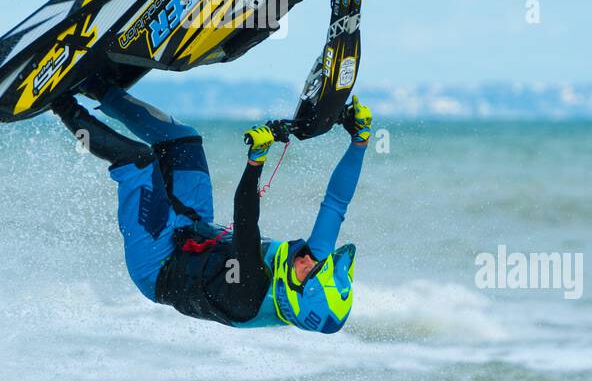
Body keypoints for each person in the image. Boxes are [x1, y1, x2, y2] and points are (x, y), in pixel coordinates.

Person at [51, 84, 371, 332]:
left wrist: (256, 160)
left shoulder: (249, 295)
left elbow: (245, 219)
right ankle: (99, 88)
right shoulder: (309, 263)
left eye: (309, 270)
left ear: (295, 297)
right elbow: (336, 203)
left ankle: (60, 102)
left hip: (157, 264)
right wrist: (360, 142)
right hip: (194, 231)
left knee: (138, 163)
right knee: (183, 142)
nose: (308, 259)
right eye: (318, 263)